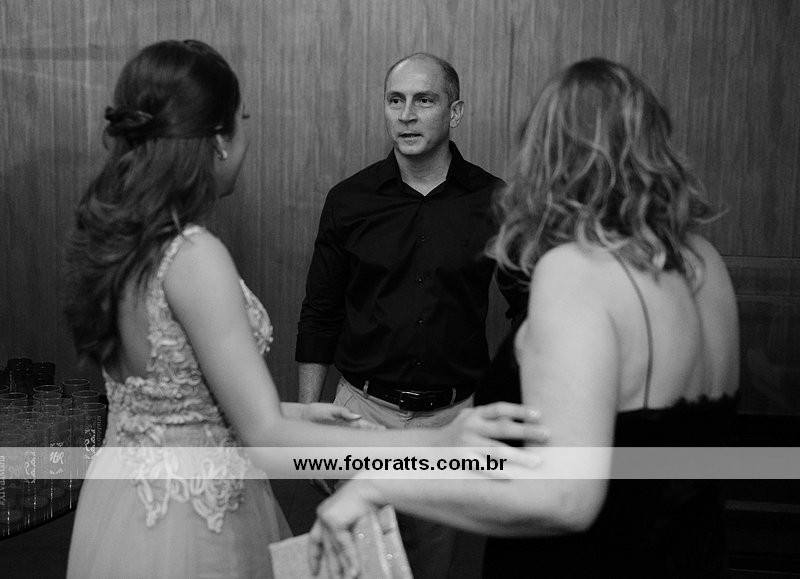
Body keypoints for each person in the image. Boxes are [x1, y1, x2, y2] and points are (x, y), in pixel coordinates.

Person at [62, 40, 543, 579]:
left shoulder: (123, 241)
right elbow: (263, 431)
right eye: (243, 120)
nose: (406, 114)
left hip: (128, 502)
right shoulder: (194, 255)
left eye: (423, 101)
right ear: (218, 140)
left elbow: (179, 408)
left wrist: (299, 412)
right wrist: (438, 442)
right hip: (192, 515)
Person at [310, 57, 740, 578]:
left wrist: (378, 483)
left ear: (552, 150)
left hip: (593, 562)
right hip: (693, 556)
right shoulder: (703, 262)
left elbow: (567, 500)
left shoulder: (573, 271)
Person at [295, 52, 528, 578]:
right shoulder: (348, 200)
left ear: (455, 112)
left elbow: (529, 311)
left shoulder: (497, 202)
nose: (406, 115)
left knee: (433, 569)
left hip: (452, 421)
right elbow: (320, 312)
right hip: (361, 416)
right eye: (395, 100)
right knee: (355, 569)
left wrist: (507, 408)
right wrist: (309, 418)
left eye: (424, 100)